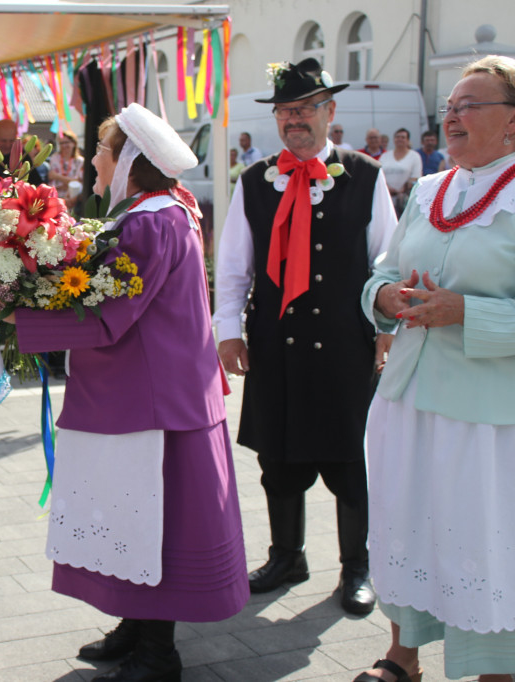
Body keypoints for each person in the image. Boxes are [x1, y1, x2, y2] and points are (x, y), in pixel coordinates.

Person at [0, 103, 249, 682]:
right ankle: (137, 629)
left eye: (103, 151)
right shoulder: (168, 209)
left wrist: (12, 312)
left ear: (129, 161)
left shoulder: (149, 222)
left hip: (148, 404)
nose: (95, 161)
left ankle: (158, 654)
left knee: (152, 524)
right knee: (135, 522)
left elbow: (109, 316)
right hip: (149, 395)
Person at [214, 57, 397, 616]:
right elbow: (233, 265)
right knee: (280, 458)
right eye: (287, 110)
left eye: (306, 108)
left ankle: (357, 568)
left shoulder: (365, 174)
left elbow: (386, 258)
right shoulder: (253, 179)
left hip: (347, 344)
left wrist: (387, 325)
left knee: (350, 463)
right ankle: (286, 555)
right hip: (277, 344)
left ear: (329, 112)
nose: (296, 119)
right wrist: (227, 330)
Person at [355, 55, 515, 682]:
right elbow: (383, 273)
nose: (453, 115)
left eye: (470, 105)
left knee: (482, 543)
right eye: (450, 104)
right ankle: (402, 658)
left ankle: (495, 671)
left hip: (485, 417)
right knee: (406, 528)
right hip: (406, 397)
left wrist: (466, 312)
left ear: (511, 124)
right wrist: (385, 300)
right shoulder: (427, 190)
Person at [0, 118, 45, 185]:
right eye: (3, 141)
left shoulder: (21, 155)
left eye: (11, 141)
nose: (7, 145)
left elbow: (35, 183)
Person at [381, 128, 422, 216]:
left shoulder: (414, 156)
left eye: (403, 137)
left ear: (407, 140)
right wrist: (387, 188)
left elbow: (415, 177)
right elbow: (379, 174)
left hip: (404, 199)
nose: (400, 139)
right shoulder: (385, 156)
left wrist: (402, 189)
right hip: (386, 196)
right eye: (397, 137)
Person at [48, 130, 85, 206]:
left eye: (66, 142)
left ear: (74, 143)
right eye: (61, 143)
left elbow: (78, 182)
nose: (64, 146)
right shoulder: (54, 158)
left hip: (72, 200)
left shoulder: (80, 161)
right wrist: (70, 181)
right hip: (55, 198)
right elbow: (51, 176)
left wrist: (58, 177)